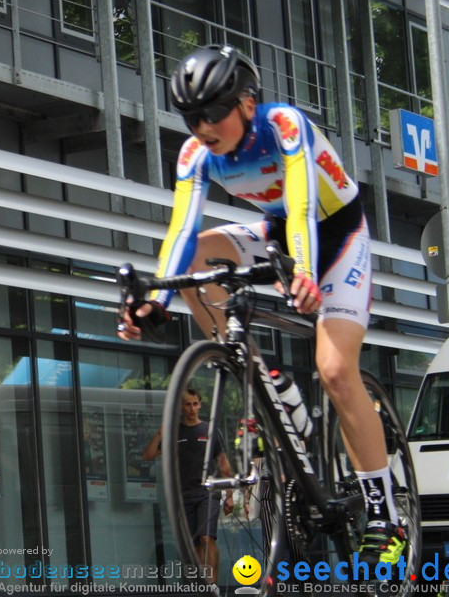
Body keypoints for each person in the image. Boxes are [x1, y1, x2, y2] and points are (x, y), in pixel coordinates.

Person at [119, 44, 403, 568]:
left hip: (335, 235)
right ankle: (262, 374)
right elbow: (181, 229)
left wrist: (303, 272)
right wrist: (156, 299)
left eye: (212, 112)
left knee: (337, 371)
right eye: (190, 116)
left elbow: (301, 204)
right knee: (198, 259)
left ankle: (386, 515)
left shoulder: (285, 126)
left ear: (246, 103)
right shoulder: (195, 154)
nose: (201, 126)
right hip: (275, 233)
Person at [143, 388, 234, 585]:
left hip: (207, 493)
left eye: (195, 404)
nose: (192, 408)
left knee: (207, 539)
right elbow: (148, 455)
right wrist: (160, 433)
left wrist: (229, 495)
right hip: (183, 496)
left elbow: (224, 464)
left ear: (200, 405)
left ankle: (212, 586)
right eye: (188, 404)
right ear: (181, 407)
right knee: (195, 546)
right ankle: (202, 585)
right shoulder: (173, 432)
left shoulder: (210, 430)